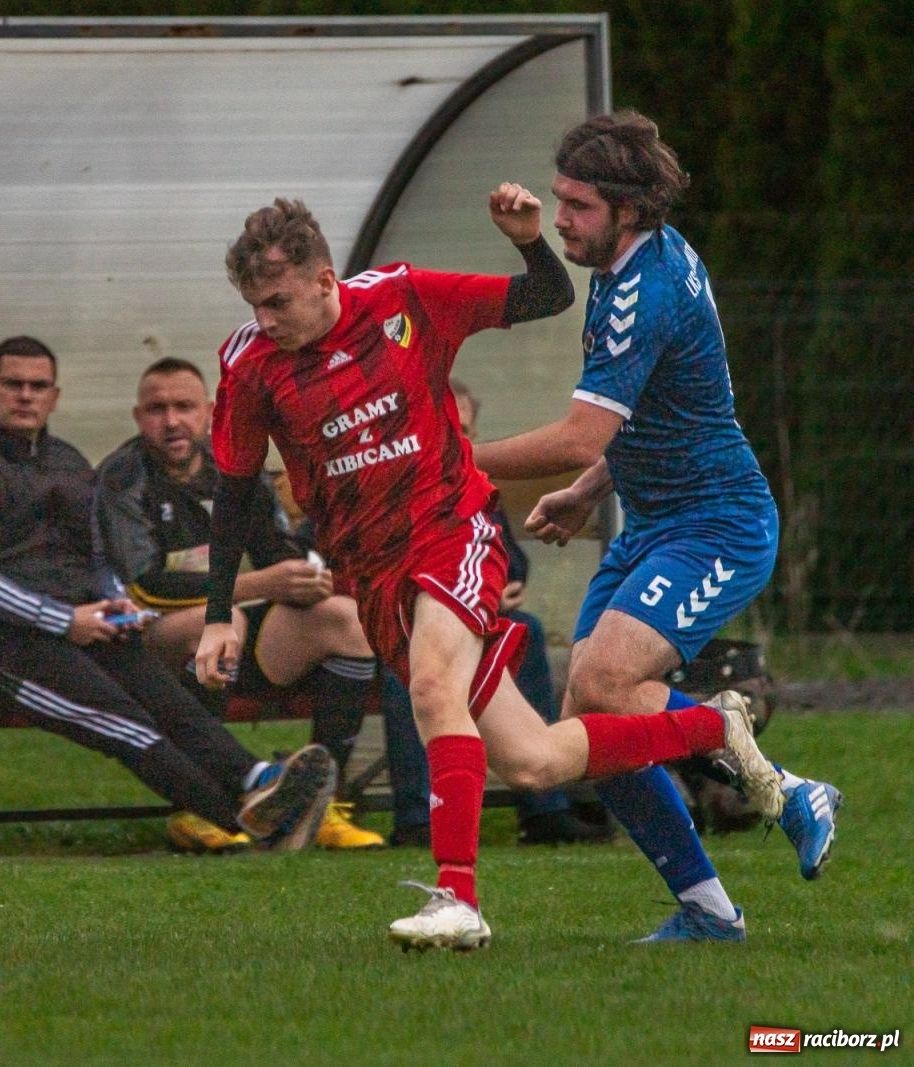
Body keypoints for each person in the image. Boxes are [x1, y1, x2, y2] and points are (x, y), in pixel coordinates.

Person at [194, 191, 787, 952]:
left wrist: (529, 242)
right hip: (374, 573)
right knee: (534, 760)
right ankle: (714, 726)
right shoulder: (250, 363)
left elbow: (547, 295)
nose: (266, 320)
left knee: (433, 687)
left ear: (323, 279)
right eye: (254, 305)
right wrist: (219, 614)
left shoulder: (404, 297)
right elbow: (234, 490)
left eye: (277, 302)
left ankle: (458, 898)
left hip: (453, 529)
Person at [470, 111, 841, 939]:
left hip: (718, 527)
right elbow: (649, 415)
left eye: (579, 205)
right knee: (595, 720)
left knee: (605, 687)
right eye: (561, 199)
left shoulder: (647, 288)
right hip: (653, 524)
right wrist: (588, 489)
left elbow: (579, 433)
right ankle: (708, 909)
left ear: (630, 208)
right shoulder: (633, 261)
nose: (561, 219)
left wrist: (455, 460)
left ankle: (787, 788)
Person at [0, 335, 337, 850]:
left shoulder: (68, 462)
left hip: (87, 624)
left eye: (38, 386)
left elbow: (95, 555)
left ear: (54, 396)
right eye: (13, 384)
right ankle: (245, 820)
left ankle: (258, 779)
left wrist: (116, 601)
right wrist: (63, 620)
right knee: (126, 724)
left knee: (167, 701)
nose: (25, 396)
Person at [94, 355, 385, 851]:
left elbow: (275, 551)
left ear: (209, 411)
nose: (172, 421)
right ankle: (198, 807)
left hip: (232, 631)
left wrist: (302, 577)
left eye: (184, 407)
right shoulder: (123, 477)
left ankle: (321, 804)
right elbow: (144, 587)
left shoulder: (235, 466)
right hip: (146, 641)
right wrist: (259, 585)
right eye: (158, 409)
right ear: (139, 417)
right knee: (219, 622)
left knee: (344, 620)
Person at [450, 377, 612, 845]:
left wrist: (496, 587)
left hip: (481, 616)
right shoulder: (394, 477)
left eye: (465, 431)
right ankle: (419, 816)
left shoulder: (477, 485)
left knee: (527, 629)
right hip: (418, 617)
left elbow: (513, 560)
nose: (459, 440)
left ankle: (546, 809)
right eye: (449, 428)